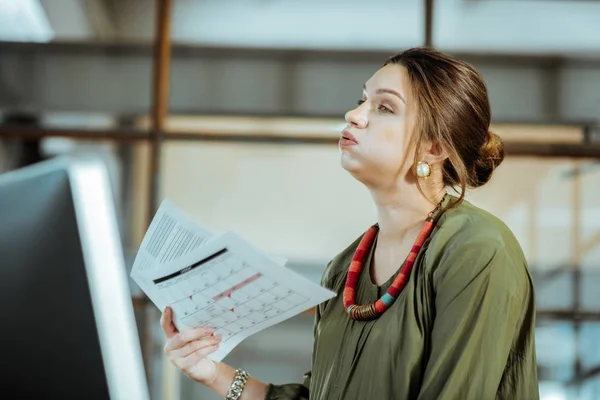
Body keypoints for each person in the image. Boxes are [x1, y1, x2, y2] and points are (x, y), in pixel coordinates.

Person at [160, 46, 539, 400]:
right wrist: (211, 372)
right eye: (362, 101)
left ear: (435, 147)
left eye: (384, 107)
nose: (354, 115)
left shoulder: (476, 249)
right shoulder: (344, 270)